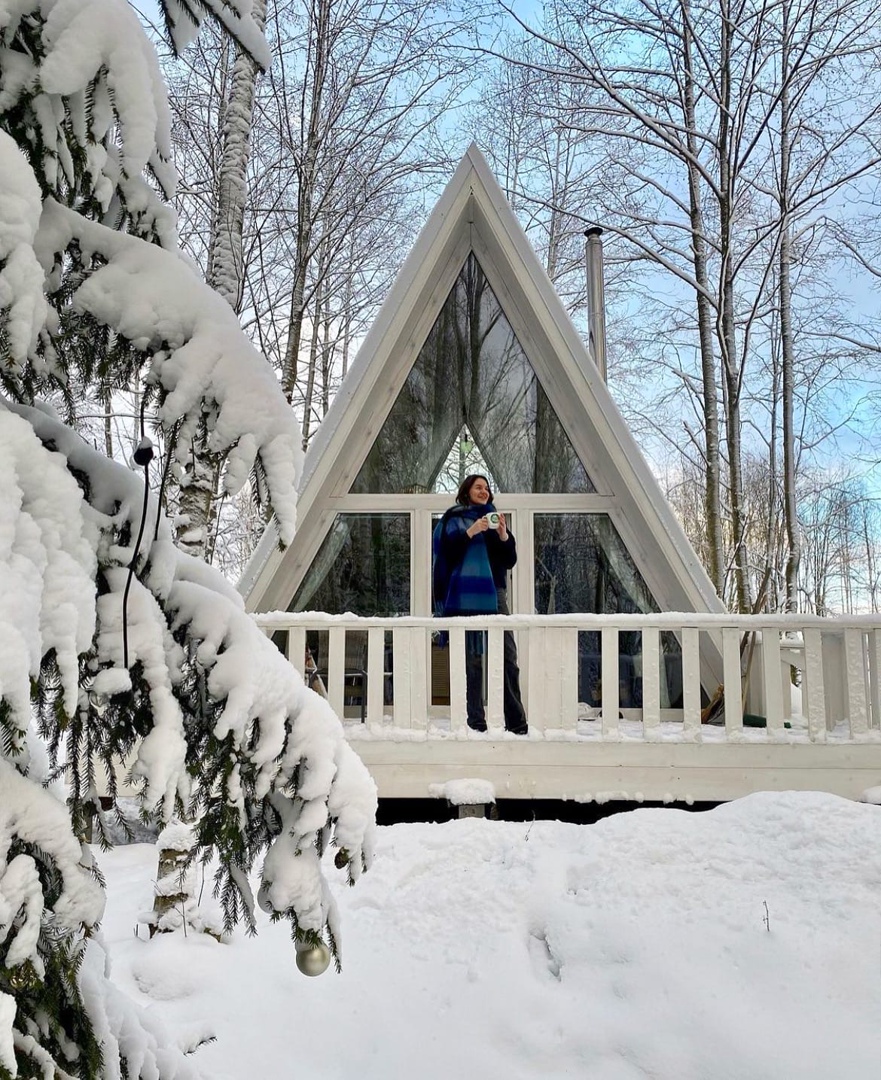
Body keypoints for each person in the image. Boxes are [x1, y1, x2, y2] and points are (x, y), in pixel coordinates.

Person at [432, 474, 528, 734]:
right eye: (478, 487)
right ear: (466, 491)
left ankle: (517, 723)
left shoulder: (493, 517)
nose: (484, 491)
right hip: (466, 597)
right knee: (472, 661)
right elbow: (446, 554)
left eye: (487, 488)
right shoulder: (454, 518)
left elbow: (509, 561)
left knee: (508, 656)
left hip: (495, 594)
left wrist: (503, 534)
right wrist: (472, 531)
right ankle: (476, 722)